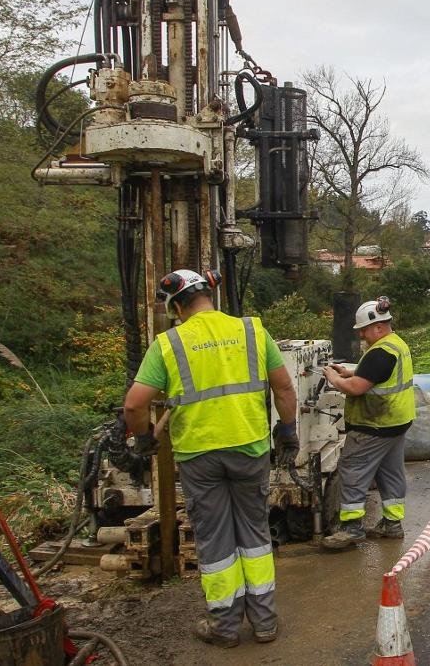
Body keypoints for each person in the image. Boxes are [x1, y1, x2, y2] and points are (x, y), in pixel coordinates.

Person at [122, 269, 299, 648]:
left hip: (199, 457)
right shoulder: (252, 330)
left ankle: (224, 627)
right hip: (250, 449)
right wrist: (288, 431)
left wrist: (143, 439)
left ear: (177, 306)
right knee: (254, 535)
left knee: (216, 541)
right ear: (208, 296)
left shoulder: (169, 344)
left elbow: (134, 404)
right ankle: (265, 623)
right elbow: (284, 386)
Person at [320, 296, 415, 550]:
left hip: (374, 424)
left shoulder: (380, 352)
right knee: (390, 473)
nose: (362, 335)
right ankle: (392, 524)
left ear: (378, 327)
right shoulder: (395, 344)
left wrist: (333, 378)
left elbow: (357, 389)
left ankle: (351, 528)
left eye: (364, 329)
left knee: (352, 469)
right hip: (396, 423)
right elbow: (375, 376)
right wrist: (350, 372)